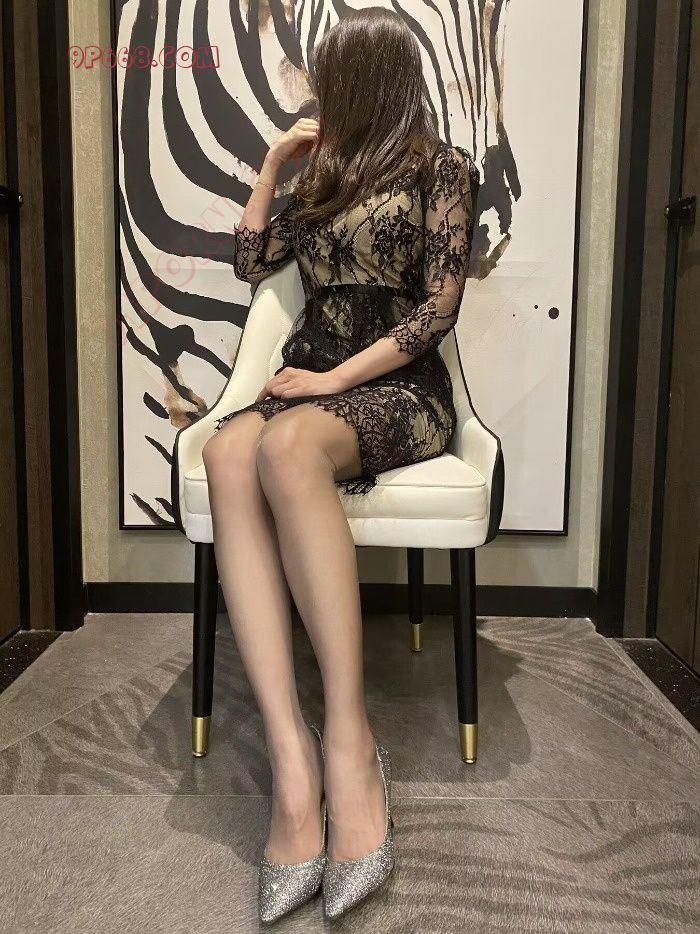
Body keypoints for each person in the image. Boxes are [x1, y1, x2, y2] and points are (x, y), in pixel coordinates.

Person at [202, 6, 479, 923]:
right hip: (310, 374)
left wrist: (331, 380)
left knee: (284, 444)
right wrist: (274, 166)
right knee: (228, 450)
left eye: (333, 75)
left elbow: (437, 311)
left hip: (396, 387)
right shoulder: (323, 179)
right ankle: (293, 766)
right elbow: (252, 263)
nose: (321, 90)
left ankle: (351, 749)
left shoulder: (443, 170)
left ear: (366, 78)